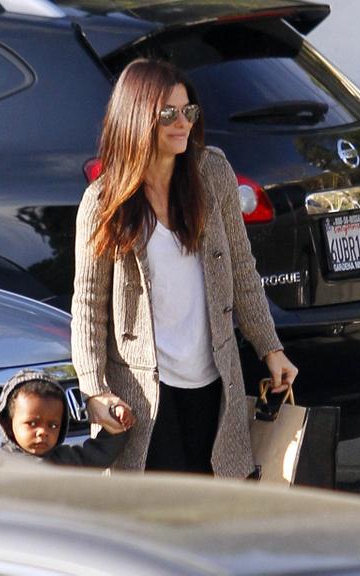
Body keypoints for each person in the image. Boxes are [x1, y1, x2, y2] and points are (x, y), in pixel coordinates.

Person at [71, 58, 298, 477]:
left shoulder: (211, 173)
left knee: (213, 515)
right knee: (154, 521)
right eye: (168, 114)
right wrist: (94, 388)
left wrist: (271, 347)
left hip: (216, 386)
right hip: (143, 397)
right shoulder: (104, 202)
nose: (182, 123)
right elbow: (88, 304)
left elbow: (242, 269)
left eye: (189, 111)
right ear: (137, 116)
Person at [0, 369, 133, 467]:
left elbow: (99, 453)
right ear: (8, 424)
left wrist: (117, 421)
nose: (43, 432)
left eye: (53, 425)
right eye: (32, 423)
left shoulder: (65, 461)